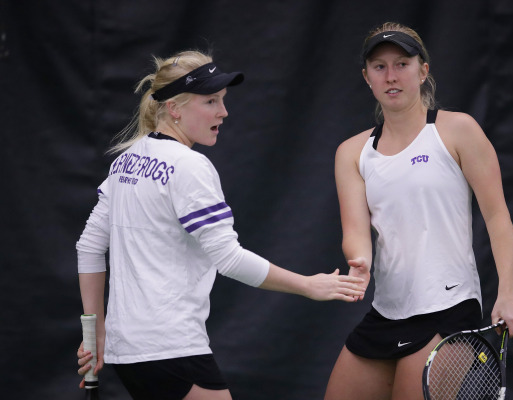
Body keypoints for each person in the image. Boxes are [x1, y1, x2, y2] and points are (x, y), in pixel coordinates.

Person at [75, 49, 365, 400]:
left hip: (129, 352)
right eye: (211, 101)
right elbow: (228, 259)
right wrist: (307, 285)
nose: (223, 112)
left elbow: (89, 248)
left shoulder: (125, 162)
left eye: (223, 100)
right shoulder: (190, 167)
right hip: (171, 348)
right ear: (174, 108)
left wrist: (98, 332)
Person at [323, 22, 513, 400]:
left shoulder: (459, 130)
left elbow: (497, 216)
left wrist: (508, 292)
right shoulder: (351, 152)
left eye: (402, 63)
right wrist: (359, 261)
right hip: (387, 311)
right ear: (367, 78)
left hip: (448, 307)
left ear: (423, 71)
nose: (391, 76)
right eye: (379, 67)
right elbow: (356, 231)